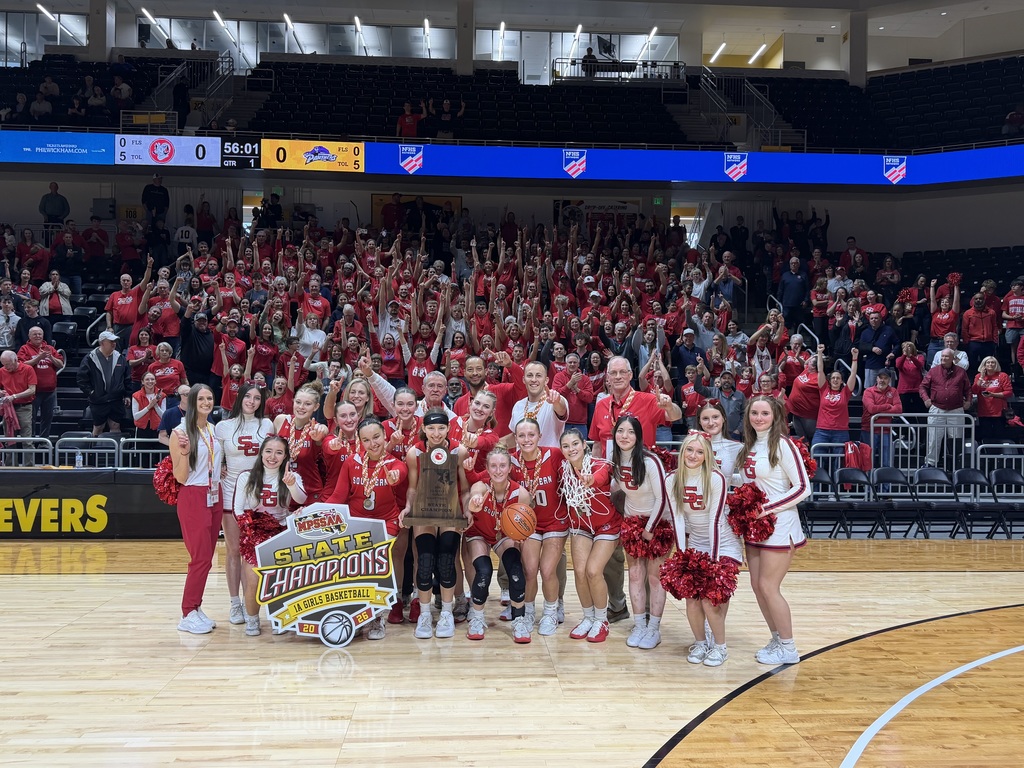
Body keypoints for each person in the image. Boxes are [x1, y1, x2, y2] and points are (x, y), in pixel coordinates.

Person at [737, 395, 812, 665]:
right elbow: (750, 482)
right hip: (756, 526)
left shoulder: (782, 444)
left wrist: (767, 509)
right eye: (754, 413)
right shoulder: (750, 446)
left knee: (769, 586)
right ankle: (777, 639)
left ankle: (790, 648)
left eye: (764, 413)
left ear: (775, 416)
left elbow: (803, 487)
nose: (759, 417)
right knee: (757, 586)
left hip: (780, 526)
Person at [324, 417, 409, 641]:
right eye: (366, 440)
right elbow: (338, 497)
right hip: (357, 523)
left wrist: (395, 478)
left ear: (385, 437)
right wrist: (311, 512)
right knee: (353, 567)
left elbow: (402, 473)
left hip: (386, 523)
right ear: (360, 442)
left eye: (377, 437)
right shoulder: (352, 462)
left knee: (377, 562)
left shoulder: (394, 464)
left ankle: (378, 617)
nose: (373, 443)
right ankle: (356, 613)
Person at [669, 432, 738, 667]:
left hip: (723, 544)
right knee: (692, 598)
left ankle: (720, 647)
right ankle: (700, 642)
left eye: (700, 452)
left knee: (711, 598)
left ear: (707, 455)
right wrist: (682, 557)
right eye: (689, 450)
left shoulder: (716, 478)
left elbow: (715, 521)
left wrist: (715, 562)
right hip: (696, 544)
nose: (693, 455)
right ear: (683, 451)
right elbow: (678, 519)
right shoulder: (673, 479)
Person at [401, 410, 471, 640]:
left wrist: (467, 508)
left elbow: (465, 488)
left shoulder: (458, 451)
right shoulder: (415, 453)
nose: (436, 433)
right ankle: (424, 613)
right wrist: (408, 508)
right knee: (425, 562)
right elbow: (412, 487)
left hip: (449, 512)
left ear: (448, 429)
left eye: (441, 428)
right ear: (424, 430)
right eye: (431, 428)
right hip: (424, 511)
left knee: (446, 561)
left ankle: (447, 613)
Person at [234, 436, 306, 637]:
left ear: (285, 457)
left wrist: (291, 484)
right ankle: (252, 619)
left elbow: (301, 499)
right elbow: (238, 509)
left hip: (280, 532)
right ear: (261, 453)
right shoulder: (246, 476)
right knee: (253, 580)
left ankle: (279, 617)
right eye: (268, 451)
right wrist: (250, 532)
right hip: (253, 532)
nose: (272, 456)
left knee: (281, 579)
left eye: (279, 452)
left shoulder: (293, 477)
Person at [216, 384, 274, 627]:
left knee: (263, 553)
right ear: (239, 398)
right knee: (234, 550)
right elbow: (215, 457)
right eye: (248, 396)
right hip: (231, 492)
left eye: (257, 398)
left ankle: (266, 603)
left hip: (261, 495)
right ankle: (235, 603)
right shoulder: (223, 426)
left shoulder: (267, 425)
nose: (252, 401)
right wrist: (219, 468)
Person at [168, 384, 224, 634]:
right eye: (200, 398)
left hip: (215, 493)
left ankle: (196, 607)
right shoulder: (180, 432)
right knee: (200, 559)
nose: (206, 402)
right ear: (191, 401)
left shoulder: (213, 430)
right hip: (193, 494)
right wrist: (184, 453)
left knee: (207, 559)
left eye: (209, 398)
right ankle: (187, 612)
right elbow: (180, 477)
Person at [463, 445, 533, 642]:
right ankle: (477, 618)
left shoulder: (521, 494)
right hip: (479, 533)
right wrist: (474, 501)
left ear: (510, 467)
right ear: (487, 468)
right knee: (483, 571)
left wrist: (521, 534)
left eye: (503, 465)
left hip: (503, 535)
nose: (498, 470)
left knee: (516, 570)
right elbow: (474, 495)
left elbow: (523, 525)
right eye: (493, 466)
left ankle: (519, 620)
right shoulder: (482, 487)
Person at [612, 415, 671, 650]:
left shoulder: (651, 461)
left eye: (630, 432)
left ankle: (653, 628)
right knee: (635, 575)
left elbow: (662, 497)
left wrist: (649, 529)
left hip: (657, 524)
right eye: (620, 431)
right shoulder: (616, 460)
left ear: (638, 436)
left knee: (655, 578)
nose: (624, 436)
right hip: (633, 523)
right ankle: (639, 624)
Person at [559, 428, 619, 643]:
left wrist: (590, 479)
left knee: (594, 571)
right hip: (581, 526)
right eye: (566, 446)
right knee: (580, 571)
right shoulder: (564, 469)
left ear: (584, 445)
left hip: (607, 525)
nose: (571, 449)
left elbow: (601, 477)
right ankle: (588, 617)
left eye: (575, 444)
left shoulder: (600, 465)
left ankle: (602, 620)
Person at [510, 418, 566, 638]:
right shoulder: (512, 462)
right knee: (530, 570)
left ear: (540, 436)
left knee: (548, 570)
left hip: (555, 520)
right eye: (521, 435)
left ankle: (551, 612)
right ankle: (529, 610)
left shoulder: (554, 455)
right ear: (515, 438)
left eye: (531, 435)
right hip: (528, 524)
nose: (526, 439)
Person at [272, 381, 330, 503]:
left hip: (310, 492)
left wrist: (321, 433)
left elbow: (324, 431)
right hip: (282, 491)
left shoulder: (317, 429)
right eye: (298, 402)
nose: (301, 407)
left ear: (316, 407)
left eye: (307, 404)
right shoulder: (280, 420)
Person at [76, 330, 131, 436]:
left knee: (115, 426)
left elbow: (127, 378)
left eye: (115, 341)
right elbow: (81, 379)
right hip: (98, 400)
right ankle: (93, 451)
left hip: (116, 399)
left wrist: (127, 395)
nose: (114, 344)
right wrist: (91, 392)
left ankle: (115, 451)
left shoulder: (120, 358)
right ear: (101, 343)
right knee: (98, 426)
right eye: (111, 341)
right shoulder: (90, 358)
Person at [506, 361, 568, 447]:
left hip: (548, 459)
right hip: (523, 459)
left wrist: (557, 401)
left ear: (546, 380)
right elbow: (515, 437)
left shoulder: (554, 401)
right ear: (524, 379)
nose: (534, 380)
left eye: (538, 376)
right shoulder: (518, 405)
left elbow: (561, 410)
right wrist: (491, 444)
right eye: (530, 375)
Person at [17, 327, 63, 440]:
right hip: (33, 391)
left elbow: (60, 364)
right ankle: (31, 440)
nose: (38, 336)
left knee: (47, 418)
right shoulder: (24, 349)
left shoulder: (50, 348)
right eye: (35, 334)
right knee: (31, 418)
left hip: (50, 390)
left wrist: (51, 357)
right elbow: (21, 365)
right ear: (29, 336)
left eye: (40, 334)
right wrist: (38, 358)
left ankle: (44, 441)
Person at [812, 344, 859, 454]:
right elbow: (820, 370)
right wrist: (819, 353)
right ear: (829, 380)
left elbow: (853, 374)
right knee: (817, 457)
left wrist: (855, 358)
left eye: (838, 378)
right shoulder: (823, 389)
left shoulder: (845, 392)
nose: (835, 380)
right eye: (833, 378)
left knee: (838, 461)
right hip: (822, 430)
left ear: (842, 381)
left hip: (840, 432)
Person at [861, 368, 903, 468]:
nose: (882, 380)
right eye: (880, 377)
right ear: (876, 378)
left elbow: (898, 409)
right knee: (867, 461)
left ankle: (885, 484)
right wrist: (888, 406)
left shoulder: (893, 391)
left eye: (885, 378)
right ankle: (868, 483)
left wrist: (878, 413)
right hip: (868, 429)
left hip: (886, 430)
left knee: (886, 462)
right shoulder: (868, 391)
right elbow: (871, 408)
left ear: (889, 380)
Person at [0, 350, 37, 451]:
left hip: (24, 407)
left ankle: (29, 466)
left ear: (15, 360)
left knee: (27, 440)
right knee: (9, 440)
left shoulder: (28, 369)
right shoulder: (2, 371)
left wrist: (14, 396)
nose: (6, 367)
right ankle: (10, 466)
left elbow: (32, 390)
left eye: (8, 364)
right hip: (8, 408)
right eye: (4, 364)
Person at [971, 356, 1012, 445]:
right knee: (986, 436)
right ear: (984, 365)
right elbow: (974, 390)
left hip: (999, 412)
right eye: (988, 362)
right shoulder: (978, 376)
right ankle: (986, 456)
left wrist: (993, 395)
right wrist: (981, 377)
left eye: (992, 362)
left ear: (996, 364)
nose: (990, 364)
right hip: (984, 411)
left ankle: (999, 457)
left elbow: (1009, 392)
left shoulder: (1003, 376)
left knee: (999, 436)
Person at [131, 372, 166, 439]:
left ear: (155, 381)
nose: (150, 381)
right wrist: (149, 407)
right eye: (147, 379)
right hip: (142, 428)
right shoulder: (136, 396)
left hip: (158, 427)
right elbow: (136, 417)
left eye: (152, 379)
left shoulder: (162, 395)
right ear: (142, 382)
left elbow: (163, 416)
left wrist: (156, 406)